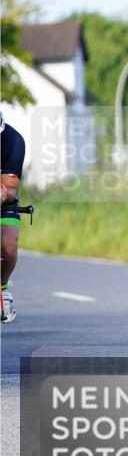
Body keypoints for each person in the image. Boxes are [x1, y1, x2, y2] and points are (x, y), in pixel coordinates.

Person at [1, 109, 26, 323]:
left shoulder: (14, 141)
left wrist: (3, 193)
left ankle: (3, 286)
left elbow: (11, 189)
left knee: (8, 245)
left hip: (4, 201)